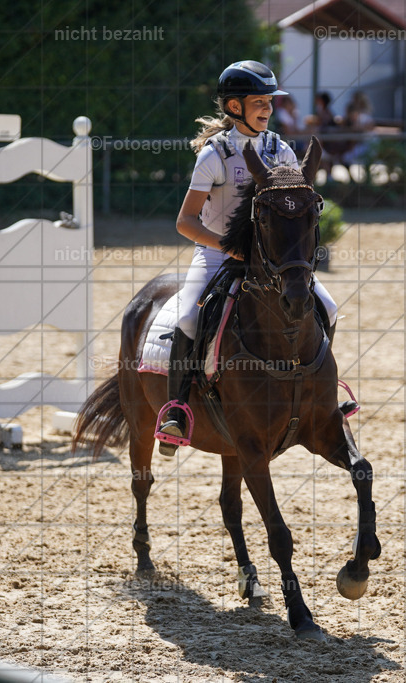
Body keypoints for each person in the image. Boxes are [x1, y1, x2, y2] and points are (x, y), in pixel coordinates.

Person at [155, 60, 353, 455]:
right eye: (258, 102)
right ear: (233, 107)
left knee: (327, 307)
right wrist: (229, 247)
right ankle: (177, 406)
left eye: (269, 102)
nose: (267, 108)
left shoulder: (279, 148)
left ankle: (320, 394)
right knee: (189, 318)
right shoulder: (214, 154)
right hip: (216, 254)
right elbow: (185, 221)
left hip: (269, 258)